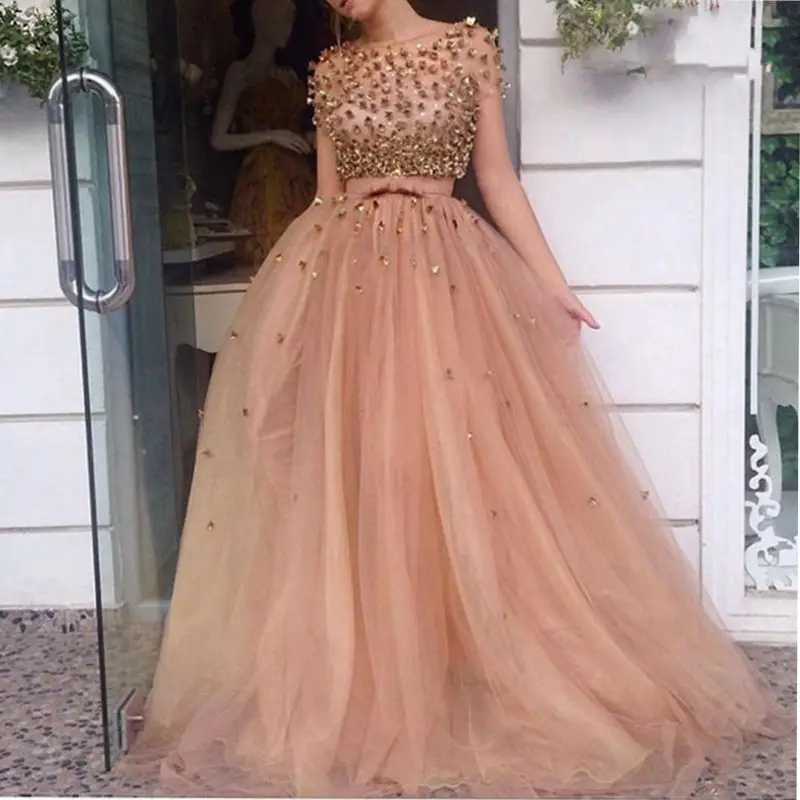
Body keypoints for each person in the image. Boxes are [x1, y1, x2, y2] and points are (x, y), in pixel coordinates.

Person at [123, 0, 792, 796]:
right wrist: (289, 309)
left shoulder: (469, 50)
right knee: (364, 473)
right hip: (346, 286)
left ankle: (457, 658)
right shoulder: (330, 69)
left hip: (444, 280)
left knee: (444, 467)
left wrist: (552, 284)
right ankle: (377, 675)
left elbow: (495, 177)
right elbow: (326, 199)